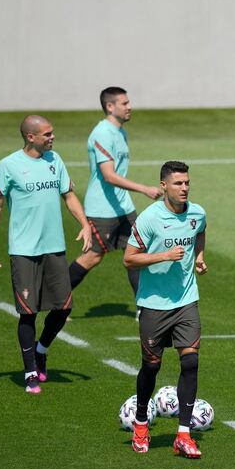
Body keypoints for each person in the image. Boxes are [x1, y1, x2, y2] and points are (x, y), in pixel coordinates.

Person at [0, 115, 92, 393]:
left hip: (54, 248)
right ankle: (30, 371)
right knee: (28, 313)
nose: (52, 137)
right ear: (30, 137)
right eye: (47, 134)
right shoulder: (8, 166)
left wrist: (85, 224)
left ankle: (41, 350)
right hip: (23, 251)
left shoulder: (55, 160)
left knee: (64, 306)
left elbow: (68, 195)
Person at [123, 161, 207, 458]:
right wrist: (164, 256)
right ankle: (142, 422)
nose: (184, 188)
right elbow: (129, 259)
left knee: (190, 364)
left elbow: (200, 233)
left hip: (186, 301)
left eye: (186, 182)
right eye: (178, 183)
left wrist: (199, 257)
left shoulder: (197, 213)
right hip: (154, 305)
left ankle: (183, 434)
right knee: (151, 367)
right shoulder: (149, 219)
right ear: (163, 186)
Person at [69, 87, 162, 310]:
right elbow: (109, 175)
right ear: (110, 107)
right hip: (103, 209)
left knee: (137, 254)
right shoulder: (102, 133)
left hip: (123, 207)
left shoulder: (121, 132)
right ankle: (54, 299)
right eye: (124, 103)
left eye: (129, 102)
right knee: (92, 257)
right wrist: (143, 189)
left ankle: (144, 307)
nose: (130, 107)